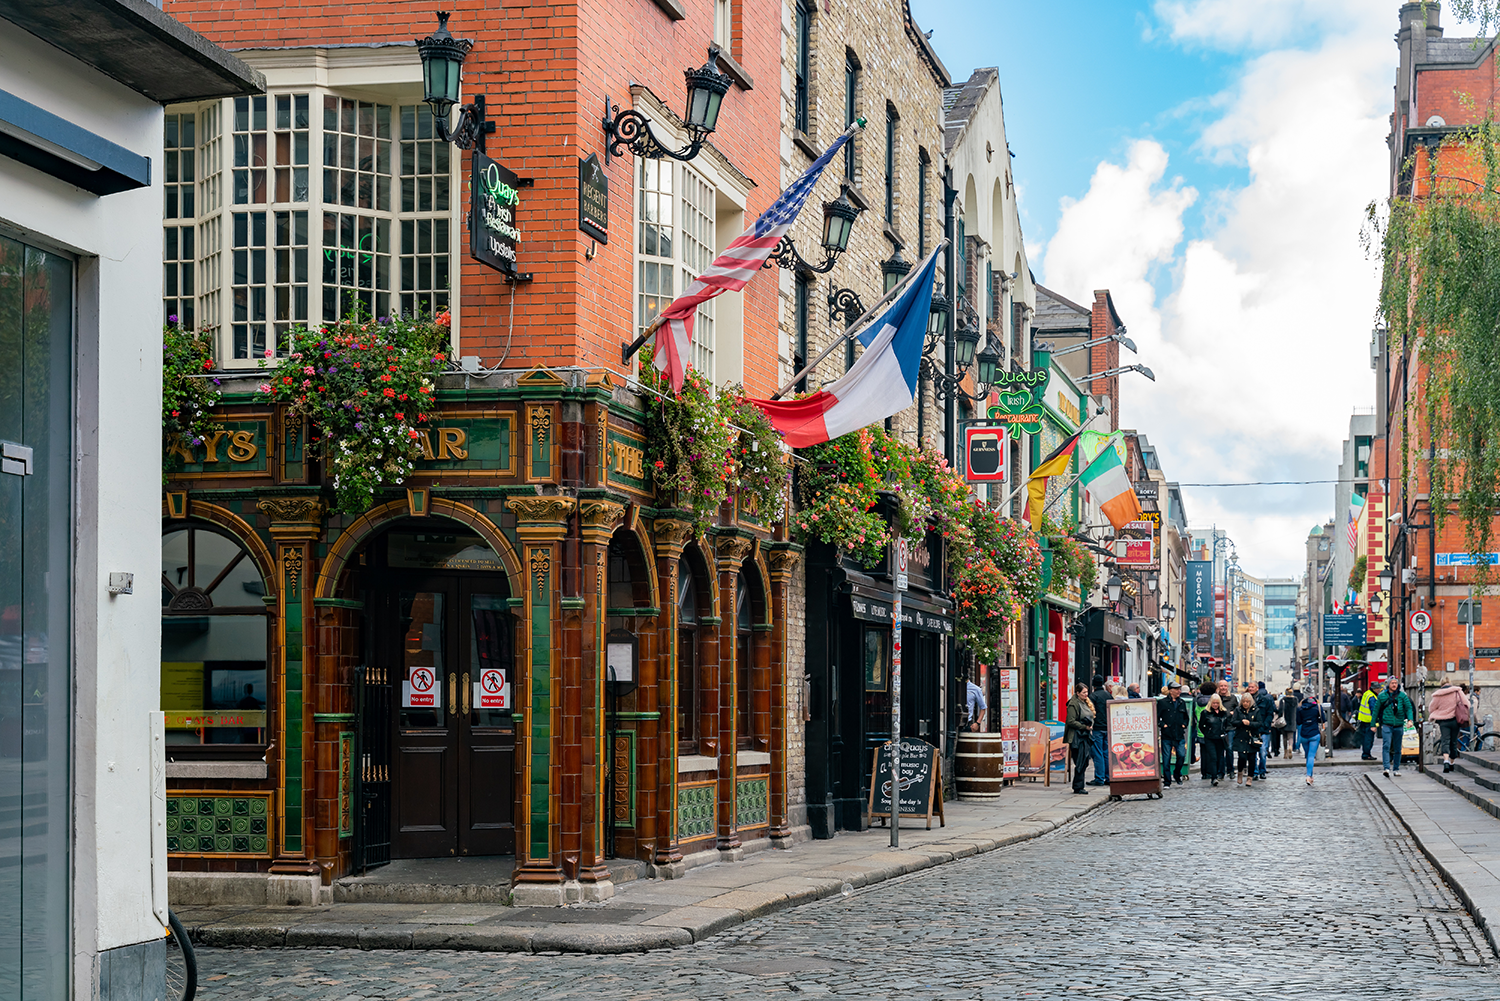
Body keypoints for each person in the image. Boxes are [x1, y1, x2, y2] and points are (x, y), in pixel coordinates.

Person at [1428, 675, 1468, 773]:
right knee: (1453, 742)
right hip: (1455, 720)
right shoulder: (1457, 691)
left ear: (1441, 683)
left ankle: (1445, 761)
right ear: (1450, 682)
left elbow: (1431, 708)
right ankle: (1451, 763)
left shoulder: (1438, 695)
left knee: (1445, 740)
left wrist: (1441, 710)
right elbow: (1467, 703)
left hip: (1444, 722)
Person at [1376, 676, 1414, 777]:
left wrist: (1410, 720)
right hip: (1387, 725)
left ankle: (1396, 768)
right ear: (1388, 684)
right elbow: (1376, 710)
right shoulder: (1382, 696)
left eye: (1395, 683)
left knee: (1397, 748)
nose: (1394, 685)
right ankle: (1386, 768)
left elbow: (1408, 708)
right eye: (1392, 683)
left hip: (1399, 725)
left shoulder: (1402, 696)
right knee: (1386, 746)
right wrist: (1373, 724)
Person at [1065, 681, 1096, 794]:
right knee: (1080, 761)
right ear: (1077, 693)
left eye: (1087, 692)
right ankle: (1078, 787)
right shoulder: (1073, 704)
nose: (1086, 694)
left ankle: (1079, 785)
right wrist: (1084, 726)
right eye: (1083, 692)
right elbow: (1070, 721)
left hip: (1085, 736)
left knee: (1084, 761)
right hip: (1076, 737)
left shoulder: (1085, 702)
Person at [1158, 681, 1190, 786]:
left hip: (1179, 734)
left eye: (1179, 689)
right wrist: (1163, 725)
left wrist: (1184, 725)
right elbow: (1156, 717)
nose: (1179, 691)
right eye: (1177, 689)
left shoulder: (1181, 702)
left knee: (1181, 756)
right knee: (1166, 759)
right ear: (1171, 691)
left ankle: (1177, 774)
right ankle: (1167, 781)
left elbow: (1186, 717)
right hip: (1167, 735)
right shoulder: (1163, 702)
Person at [1198, 694, 1231, 786]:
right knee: (1213, 757)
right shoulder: (1205, 713)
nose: (1215, 705)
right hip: (1210, 738)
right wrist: (1207, 733)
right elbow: (1201, 725)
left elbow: (1227, 724)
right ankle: (1214, 777)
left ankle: (1216, 774)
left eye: (1217, 703)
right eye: (1214, 703)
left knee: (1219, 758)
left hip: (1220, 738)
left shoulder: (1223, 712)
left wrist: (1224, 731)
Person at [1231, 692, 1261, 786]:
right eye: (1244, 701)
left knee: (1252, 758)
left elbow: (1260, 723)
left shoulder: (1256, 710)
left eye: (1247, 702)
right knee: (1242, 757)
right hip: (1241, 737)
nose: (1245, 703)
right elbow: (1233, 722)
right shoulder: (1238, 710)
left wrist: (1250, 724)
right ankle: (1240, 772)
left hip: (1252, 738)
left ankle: (1250, 777)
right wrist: (1241, 722)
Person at [1297, 690, 1326, 785]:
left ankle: (1311, 776)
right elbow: (1323, 719)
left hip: (1304, 734)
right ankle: (1309, 776)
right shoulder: (1317, 707)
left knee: (1308, 756)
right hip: (1314, 734)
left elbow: (1298, 722)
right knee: (1311, 756)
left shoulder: (1300, 708)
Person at [1089, 675, 1112, 785]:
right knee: (1106, 753)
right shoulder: (1108, 695)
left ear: (1093, 684)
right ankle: (1108, 777)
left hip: (1097, 728)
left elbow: (1090, 713)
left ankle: (1099, 778)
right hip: (1108, 727)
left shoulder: (1093, 696)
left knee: (1097, 753)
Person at [1194, 681, 1217, 780]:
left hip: (1200, 729)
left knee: (1203, 752)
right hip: (1211, 730)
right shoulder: (1214, 701)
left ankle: (1204, 773)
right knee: (1212, 753)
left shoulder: (1197, 700)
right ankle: (1211, 772)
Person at [1254, 681, 1275, 779]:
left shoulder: (1265, 699)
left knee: (1262, 752)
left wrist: (1267, 724)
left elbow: (1270, 712)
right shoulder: (1247, 700)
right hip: (1253, 729)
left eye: (1252, 687)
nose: (1251, 689)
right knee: (1253, 753)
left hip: (1263, 729)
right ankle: (1254, 772)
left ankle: (1262, 771)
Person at [1357, 683, 1379, 760]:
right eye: (1377, 688)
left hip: (1363, 719)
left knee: (1365, 738)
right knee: (1368, 739)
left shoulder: (1366, 693)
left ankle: (1365, 753)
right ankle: (1366, 754)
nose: (1379, 690)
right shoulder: (1372, 697)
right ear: (1374, 689)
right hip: (1369, 721)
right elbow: (1374, 710)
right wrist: (1375, 722)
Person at [1281, 687, 1299, 759]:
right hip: (1292, 720)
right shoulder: (1295, 700)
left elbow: (1280, 710)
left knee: (1284, 737)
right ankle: (1290, 747)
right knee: (1291, 737)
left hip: (1284, 721)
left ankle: (1285, 752)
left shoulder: (1283, 700)